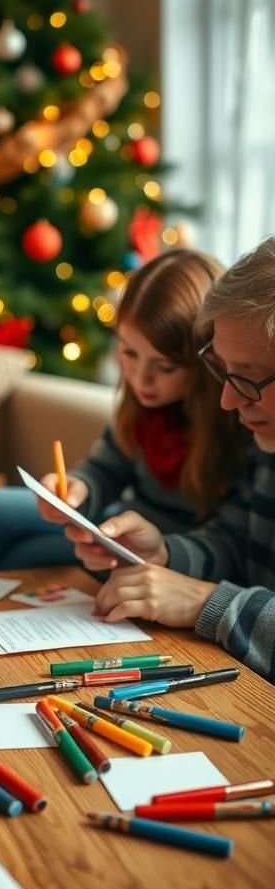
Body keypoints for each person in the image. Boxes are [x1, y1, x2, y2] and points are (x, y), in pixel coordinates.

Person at [0, 248, 243, 573]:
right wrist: (78, 490)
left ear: (205, 363)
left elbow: (228, 544)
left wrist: (159, 550)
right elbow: (105, 469)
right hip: (115, 529)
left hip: (163, 553)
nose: (140, 378)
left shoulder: (238, 423)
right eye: (129, 353)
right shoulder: (143, 406)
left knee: (21, 554)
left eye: (164, 367)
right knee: (0, 515)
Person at [68, 236, 275, 683]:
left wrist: (207, 602)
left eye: (250, 379)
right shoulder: (268, 448)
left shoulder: (247, 438)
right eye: (223, 371)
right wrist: (163, 551)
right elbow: (236, 546)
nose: (227, 400)